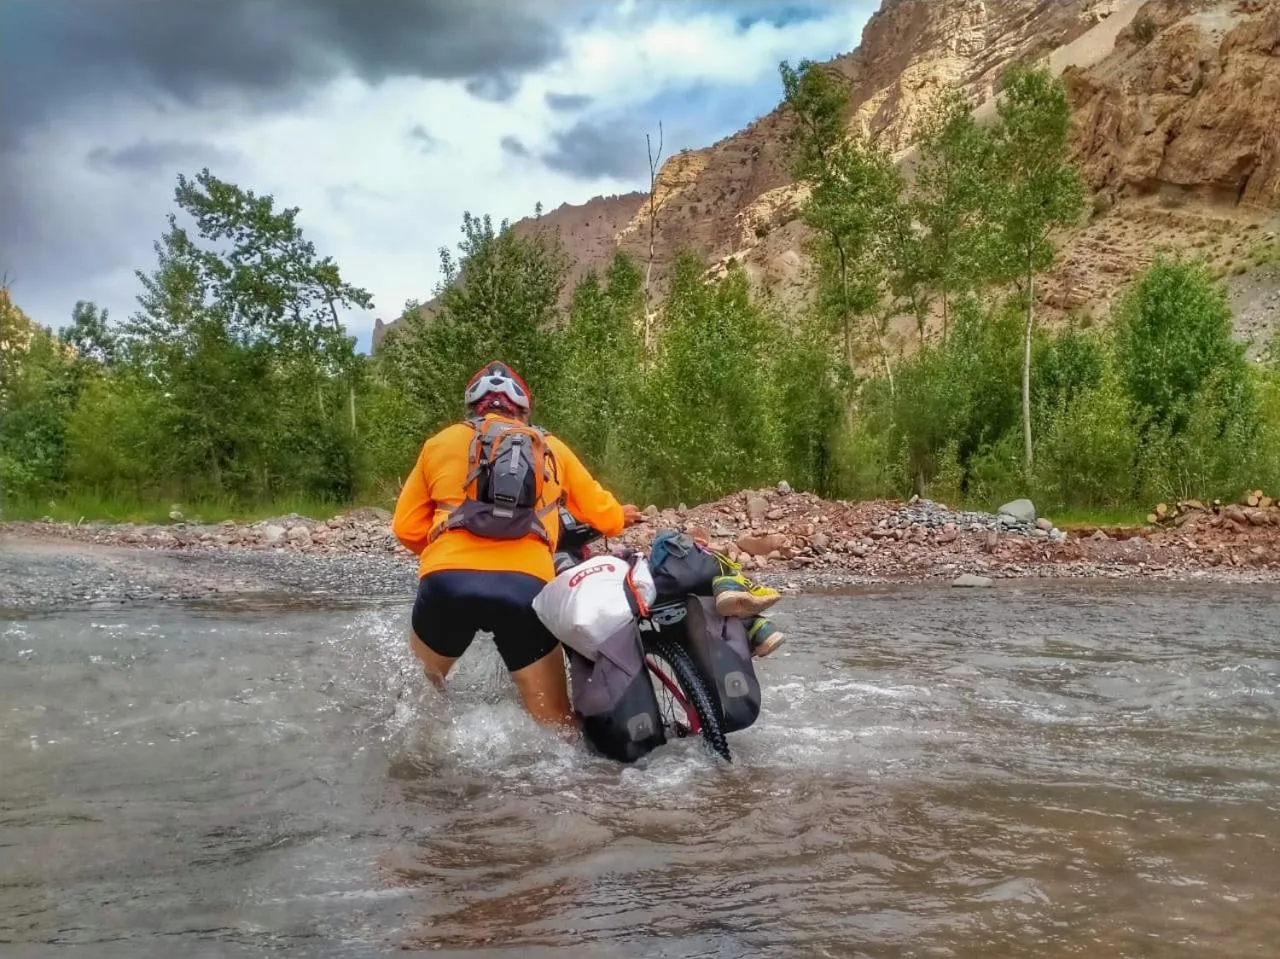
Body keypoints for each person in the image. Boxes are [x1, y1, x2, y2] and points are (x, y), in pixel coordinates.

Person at [392, 360, 643, 728]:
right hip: (525, 588)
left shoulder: (440, 443)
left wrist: (445, 557)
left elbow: (405, 527)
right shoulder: (549, 446)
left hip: (447, 582)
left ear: (472, 407)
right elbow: (603, 517)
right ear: (523, 411)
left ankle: (414, 759)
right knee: (556, 725)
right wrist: (620, 516)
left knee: (416, 704)